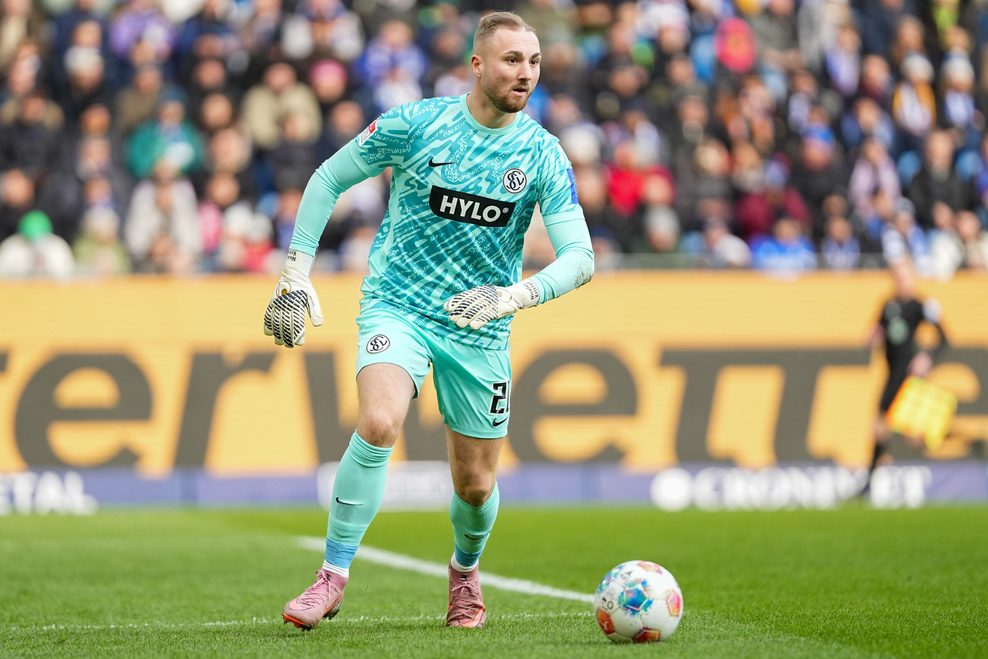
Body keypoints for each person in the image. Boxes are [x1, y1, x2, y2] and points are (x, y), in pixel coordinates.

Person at [263, 12, 594, 631]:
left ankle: (465, 574)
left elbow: (582, 258)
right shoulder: (417, 125)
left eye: (533, 61)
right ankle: (331, 575)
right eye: (511, 60)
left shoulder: (543, 154)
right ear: (477, 65)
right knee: (380, 420)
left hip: (482, 327)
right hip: (399, 304)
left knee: (474, 484)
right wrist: (295, 272)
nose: (525, 73)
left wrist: (512, 298)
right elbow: (328, 178)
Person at [860, 258, 948, 498]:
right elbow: (879, 328)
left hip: (910, 377)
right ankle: (870, 481)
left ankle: (937, 479)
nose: (900, 282)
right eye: (897, 277)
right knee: (879, 426)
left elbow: (944, 338)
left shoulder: (921, 306)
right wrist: (874, 336)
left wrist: (926, 356)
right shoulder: (888, 305)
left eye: (905, 277)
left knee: (915, 432)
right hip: (892, 373)